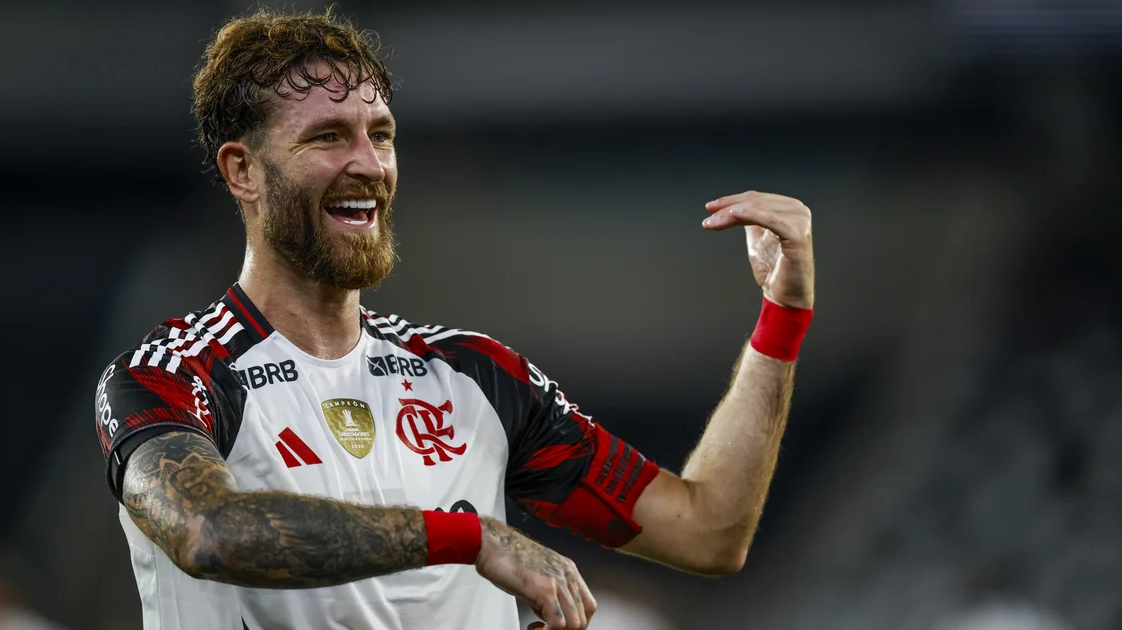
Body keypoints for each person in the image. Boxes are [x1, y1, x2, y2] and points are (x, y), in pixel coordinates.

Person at [92, 8, 816, 630]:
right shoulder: (173, 375)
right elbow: (208, 530)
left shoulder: (473, 376)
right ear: (243, 171)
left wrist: (781, 318)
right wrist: (470, 537)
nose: (369, 163)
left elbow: (709, 532)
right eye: (327, 138)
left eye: (381, 132)